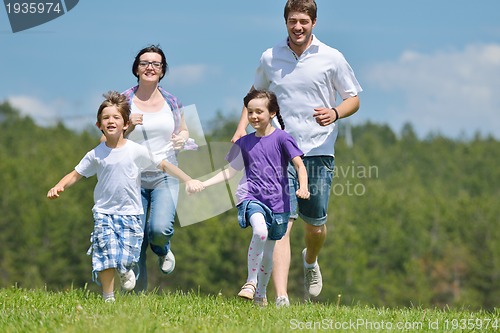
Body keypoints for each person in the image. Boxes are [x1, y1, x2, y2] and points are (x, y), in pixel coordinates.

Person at [231, 0, 362, 307]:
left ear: (314, 22)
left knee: (314, 225)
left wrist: (335, 112)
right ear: (285, 22)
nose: (298, 26)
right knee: (281, 224)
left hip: (318, 150)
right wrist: (240, 130)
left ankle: (311, 259)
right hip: (278, 152)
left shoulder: (332, 57)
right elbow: (253, 97)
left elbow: (353, 98)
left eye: (304, 21)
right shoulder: (270, 57)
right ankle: (281, 298)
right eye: (292, 21)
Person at [48, 91, 203, 302]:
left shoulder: (135, 150)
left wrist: (188, 179)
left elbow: (164, 165)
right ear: (99, 125)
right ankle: (108, 297)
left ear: (126, 124)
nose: (110, 121)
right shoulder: (96, 154)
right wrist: (59, 186)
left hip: (131, 213)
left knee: (129, 256)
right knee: (105, 253)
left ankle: (124, 267)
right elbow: (76, 174)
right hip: (104, 212)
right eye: (105, 118)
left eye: (116, 117)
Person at [190, 90, 310, 307]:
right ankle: (250, 282)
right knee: (260, 231)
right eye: (250, 112)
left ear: (272, 112)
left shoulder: (283, 138)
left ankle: (260, 294)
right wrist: (203, 183)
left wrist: (303, 188)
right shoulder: (244, 143)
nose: (254, 117)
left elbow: (300, 165)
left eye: (259, 112)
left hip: (279, 203)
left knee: (269, 253)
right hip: (251, 196)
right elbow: (230, 171)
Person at [121, 45, 196, 292]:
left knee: (158, 229)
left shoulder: (172, 101)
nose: (150, 67)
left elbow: (183, 129)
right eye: (144, 63)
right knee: (136, 237)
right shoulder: (123, 101)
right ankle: (137, 297)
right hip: (132, 177)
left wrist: (183, 138)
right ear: (136, 68)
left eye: (156, 64)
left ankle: (163, 250)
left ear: (162, 71)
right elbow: (107, 139)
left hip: (166, 174)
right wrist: (128, 126)